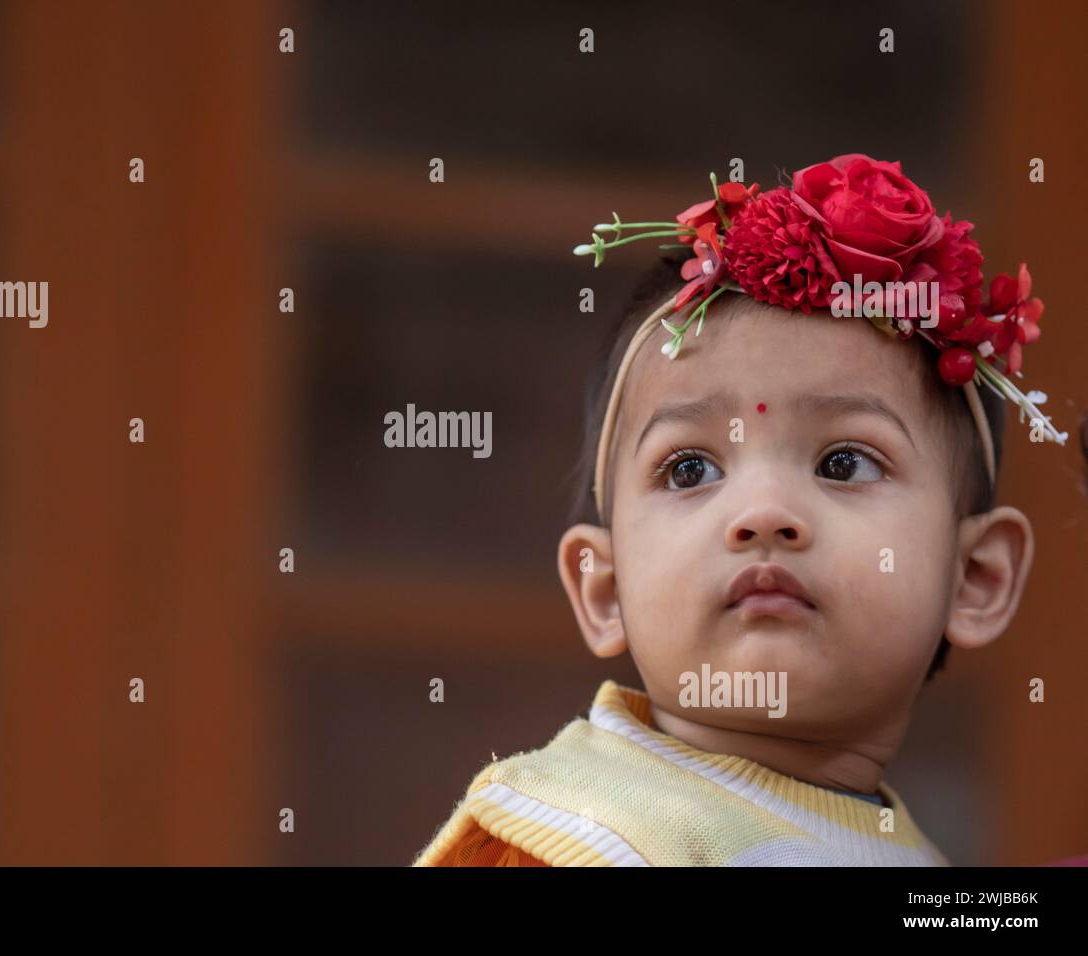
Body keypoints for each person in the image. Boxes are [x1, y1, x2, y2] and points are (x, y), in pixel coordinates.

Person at [413, 154, 1069, 866]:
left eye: (844, 463)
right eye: (690, 469)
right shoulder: (578, 832)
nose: (761, 513)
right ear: (603, 588)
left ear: (975, 577)